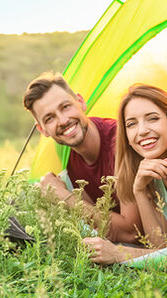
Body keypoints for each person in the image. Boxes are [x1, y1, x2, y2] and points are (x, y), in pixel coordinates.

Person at [22, 71, 141, 243]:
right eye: (49, 118)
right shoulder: (66, 154)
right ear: (42, 130)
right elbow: (95, 219)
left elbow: (132, 232)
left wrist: (63, 196)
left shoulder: (119, 143)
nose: (62, 120)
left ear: (80, 102)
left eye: (65, 107)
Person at [84, 85, 167, 263]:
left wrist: (118, 253)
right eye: (131, 124)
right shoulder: (151, 176)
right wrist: (139, 190)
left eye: (152, 119)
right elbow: (161, 248)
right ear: (127, 138)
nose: (142, 131)